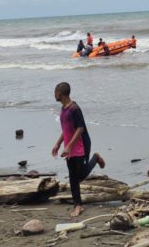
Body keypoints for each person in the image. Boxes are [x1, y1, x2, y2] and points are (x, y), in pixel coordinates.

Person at [51, 82, 106, 217]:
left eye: (55, 92)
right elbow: (66, 130)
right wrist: (58, 144)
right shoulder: (63, 110)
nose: (54, 95)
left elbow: (80, 128)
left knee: (79, 175)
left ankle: (95, 158)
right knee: (72, 177)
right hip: (69, 146)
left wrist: (69, 146)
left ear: (60, 93)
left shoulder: (75, 109)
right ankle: (78, 205)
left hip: (81, 144)